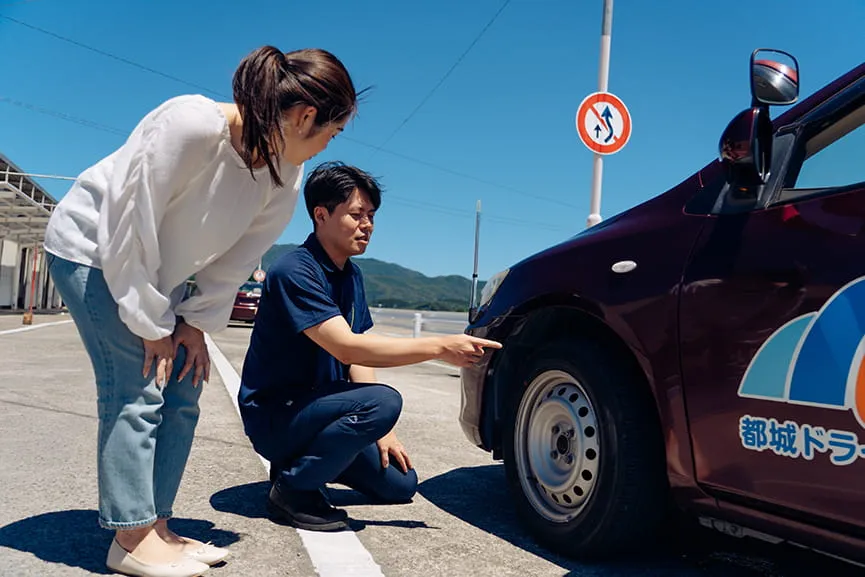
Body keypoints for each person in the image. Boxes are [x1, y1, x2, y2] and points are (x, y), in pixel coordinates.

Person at [43, 45, 363, 577]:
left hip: (157, 272)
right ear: (307, 117)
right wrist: (149, 325)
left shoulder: (284, 178)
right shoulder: (190, 124)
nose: (331, 143)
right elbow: (129, 223)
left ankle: (157, 525)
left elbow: (236, 262)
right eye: (335, 130)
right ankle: (130, 536)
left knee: (186, 385)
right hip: (93, 251)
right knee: (138, 385)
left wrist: (193, 326)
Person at [237, 161, 502, 531]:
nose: (368, 225)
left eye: (372, 216)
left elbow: (357, 354)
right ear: (321, 215)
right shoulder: (294, 271)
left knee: (400, 484)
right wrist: (439, 347)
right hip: (277, 415)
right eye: (357, 215)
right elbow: (347, 348)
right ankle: (292, 489)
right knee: (385, 400)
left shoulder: (351, 275)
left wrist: (380, 430)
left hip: (320, 410)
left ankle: (309, 465)